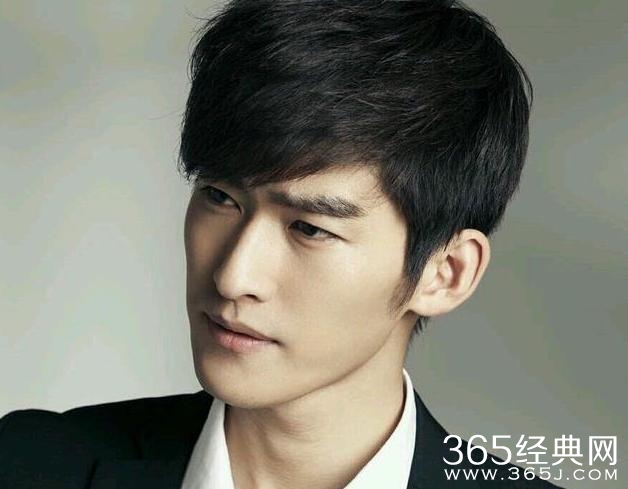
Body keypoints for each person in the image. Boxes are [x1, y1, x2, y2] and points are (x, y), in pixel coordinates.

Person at [0, 0, 564, 487]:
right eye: (220, 197)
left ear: (445, 273)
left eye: (310, 228)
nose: (232, 276)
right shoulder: (27, 464)